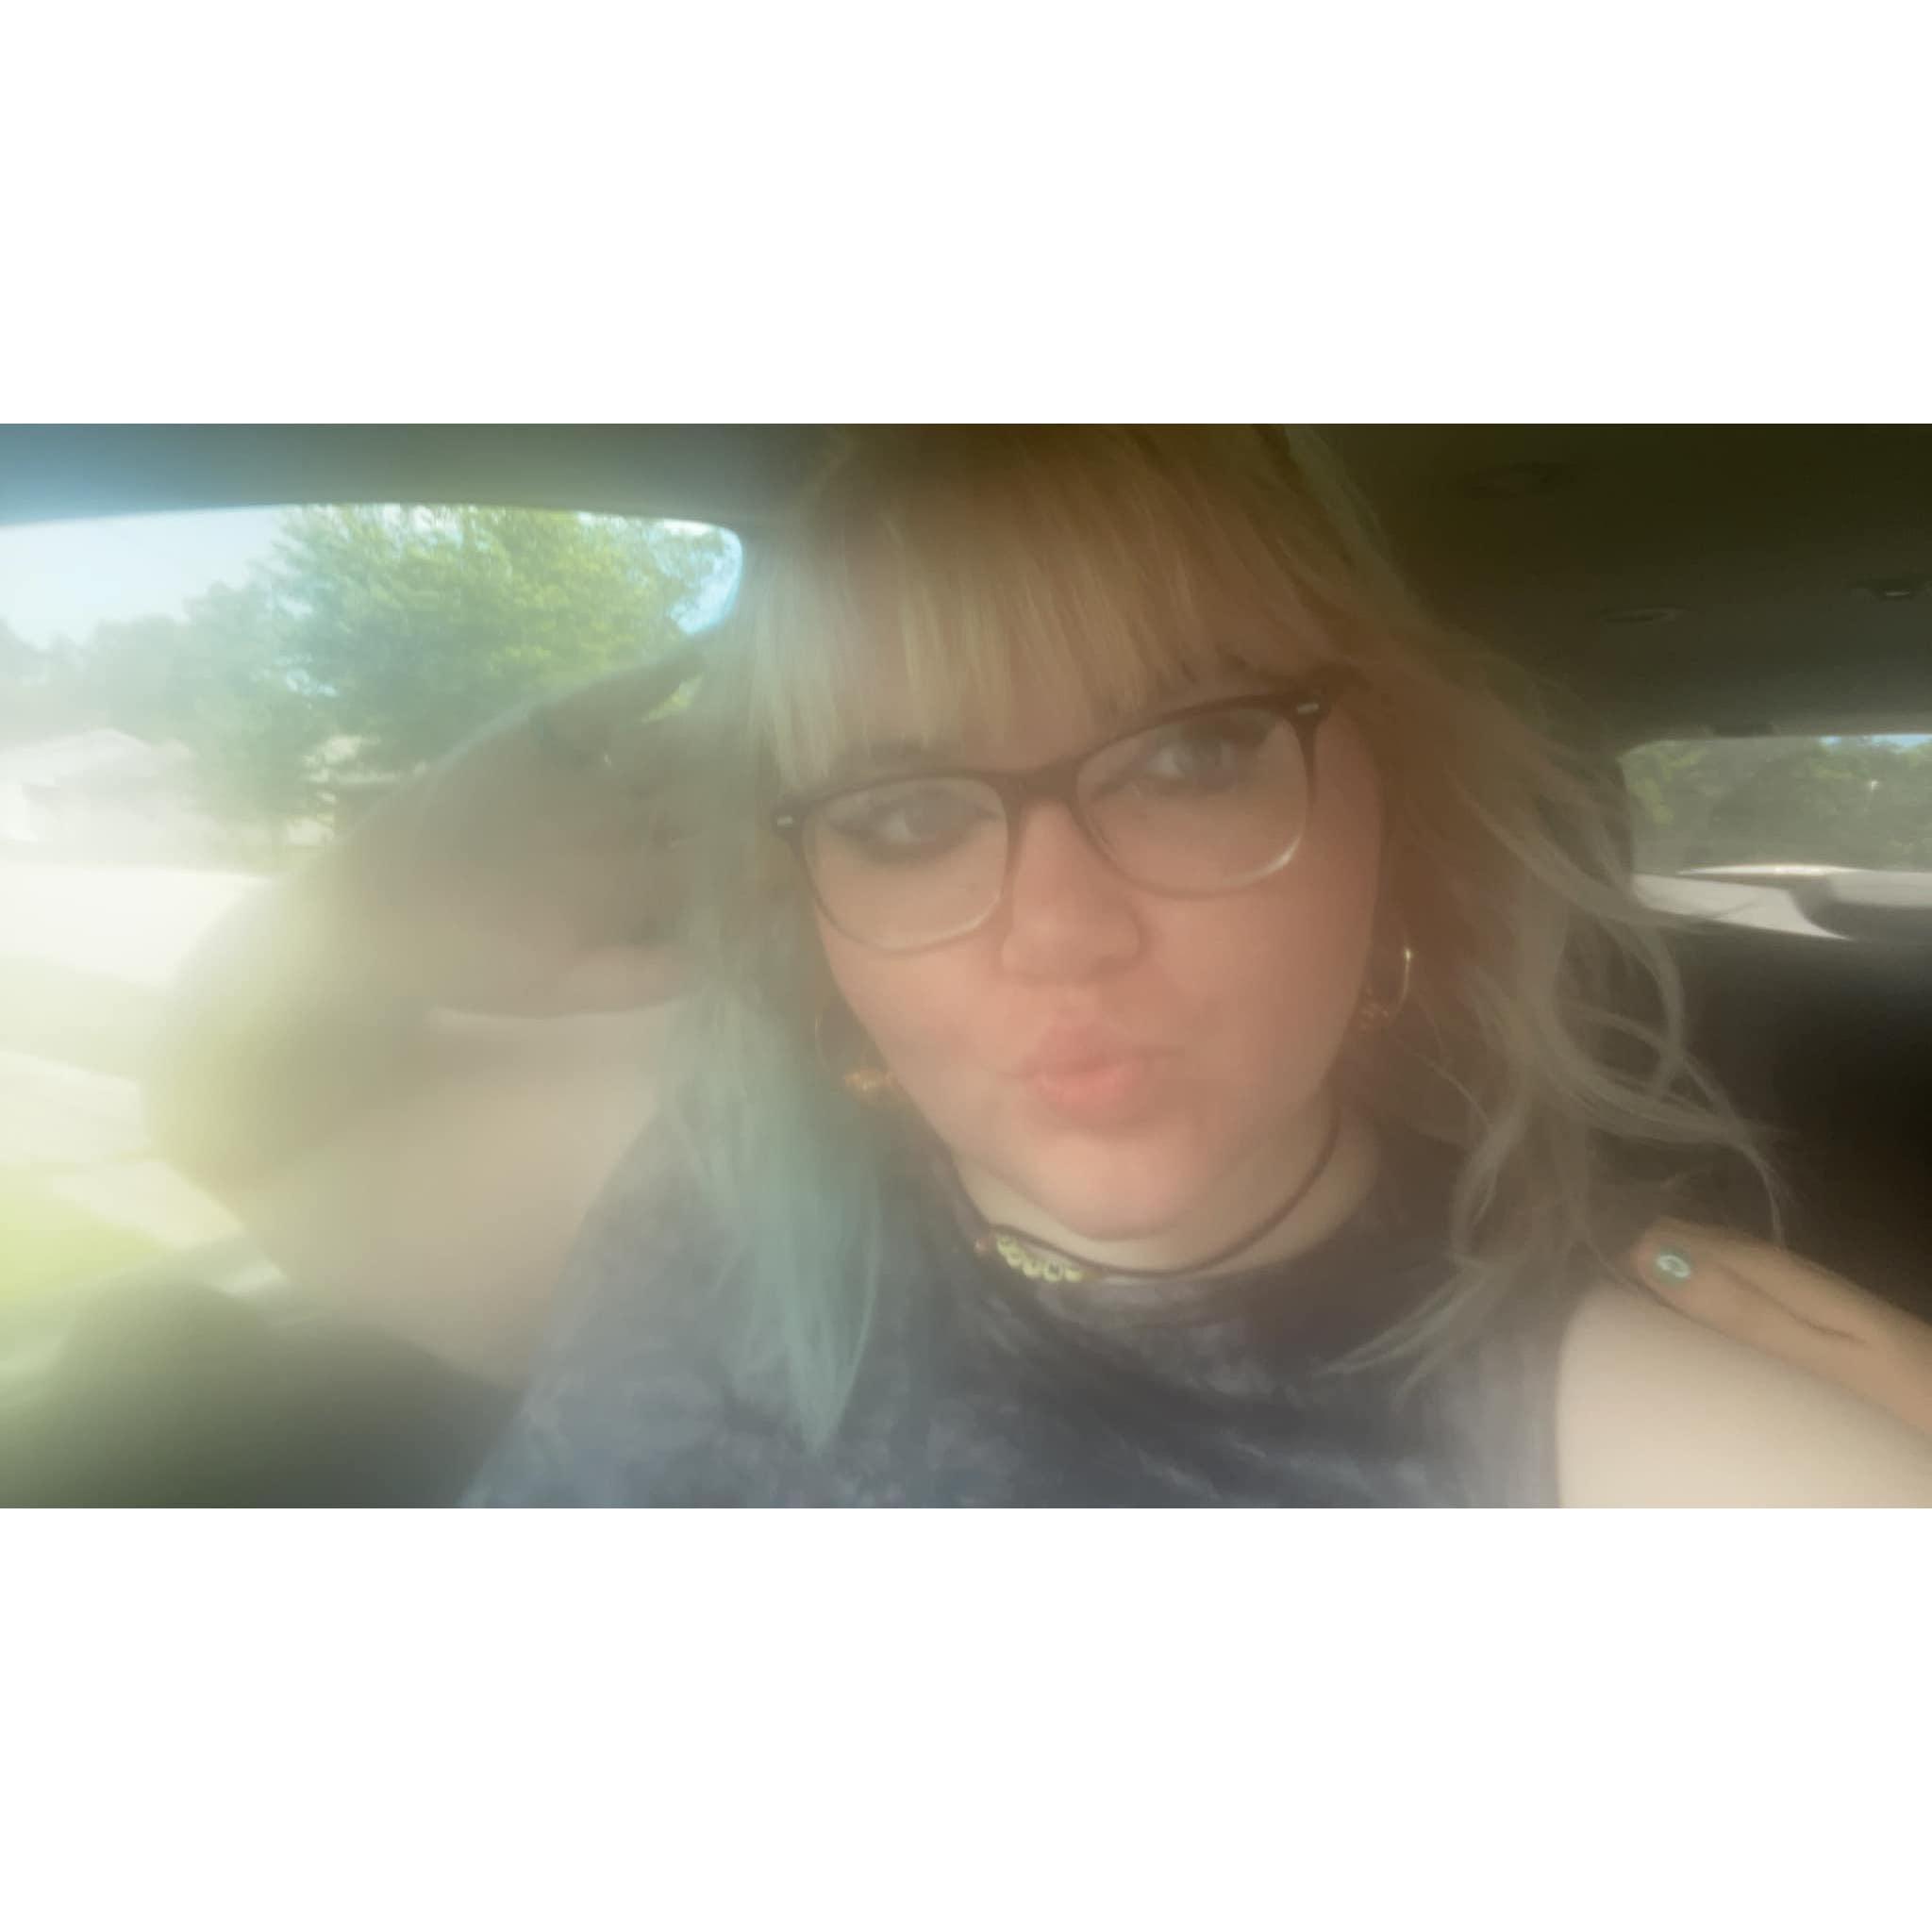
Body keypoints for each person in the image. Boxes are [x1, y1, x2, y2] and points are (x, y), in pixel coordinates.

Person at [149, 427, 1932, 1505]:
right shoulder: (695, 1169)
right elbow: (241, 1124)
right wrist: (367, 915)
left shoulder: (1609, 1425)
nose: (1061, 928)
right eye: (904, 811)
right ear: (812, 905)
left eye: (1193, 756)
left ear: (1391, 815)